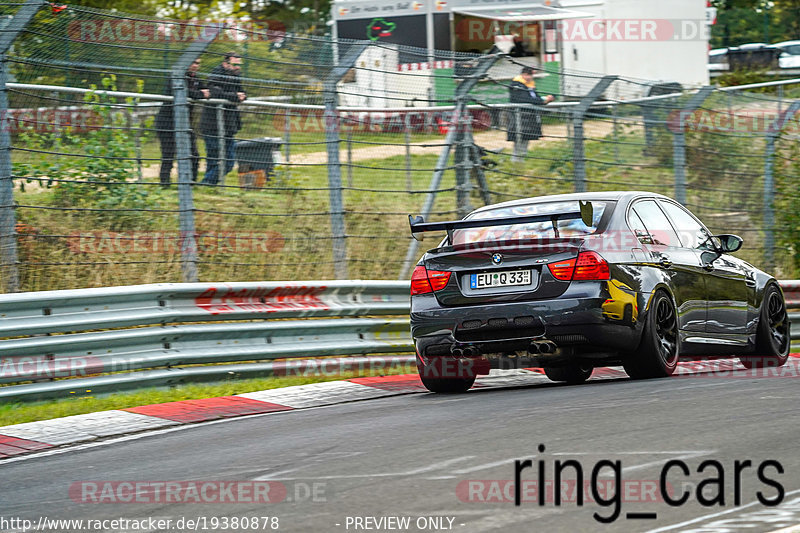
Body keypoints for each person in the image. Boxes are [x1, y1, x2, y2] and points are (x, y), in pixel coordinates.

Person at [154, 58, 209, 186]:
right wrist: (200, 94)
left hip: (185, 123)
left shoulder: (196, 79)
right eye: (192, 62)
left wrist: (203, 93)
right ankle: (164, 184)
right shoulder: (175, 76)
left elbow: (209, 91)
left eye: (197, 63)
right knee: (168, 155)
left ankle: (191, 183)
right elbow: (181, 92)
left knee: (194, 155)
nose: (195, 65)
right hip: (167, 122)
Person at [200, 52, 246, 185]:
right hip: (213, 123)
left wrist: (242, 96)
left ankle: (208, 184)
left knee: (229, 159)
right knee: (216, 159)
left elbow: (242, 92)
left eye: (239, 65)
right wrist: (234, 96)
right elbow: (214, 92)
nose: (238, 67)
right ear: (225, 63)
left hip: (229, 124)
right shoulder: (217, 74)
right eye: (235, 64)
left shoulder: (236, 76)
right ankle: (206, 184)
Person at [507, 66, 554, 162]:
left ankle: (522, 158)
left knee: (526, 137)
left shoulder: (530, 85)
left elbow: (534, 97)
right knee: (519, 138)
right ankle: (516, 160)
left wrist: (545, 99)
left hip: (529, 116)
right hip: (519, 115)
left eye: (531, 75)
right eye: (528, 75)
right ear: (523, 74)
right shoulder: (516, 84)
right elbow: (523, 99)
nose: (529, 77)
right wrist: (541, 101)